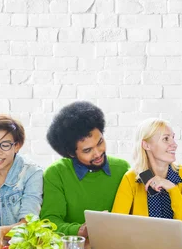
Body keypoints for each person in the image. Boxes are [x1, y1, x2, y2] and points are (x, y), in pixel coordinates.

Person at [40, 101, 130, 237]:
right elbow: (49, 222)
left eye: (100, 142)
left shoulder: (122, 168)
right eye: (87, 150)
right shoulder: (56, 174)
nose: (98, 153)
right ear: (71, 153)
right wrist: (81, 230)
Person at [112, 119, 182, 242]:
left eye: (173, 138)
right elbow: (116, 228)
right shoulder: (131, 179)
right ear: (146, 145)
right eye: (166, 139)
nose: (174, 144)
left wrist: (173, 190)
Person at [0, 115, 43, 249]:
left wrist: (2, 230)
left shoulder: (32, 173)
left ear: (17, 146)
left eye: (5, 145)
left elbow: (29, 224)